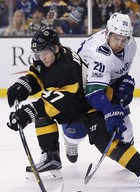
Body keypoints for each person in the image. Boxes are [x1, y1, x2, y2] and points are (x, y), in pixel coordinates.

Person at [73, 12, 140, 188]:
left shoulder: (131, 46)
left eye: (124, 39)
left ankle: (129, 155)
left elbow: (119, 73)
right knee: (89, 135)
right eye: (116, 38)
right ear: (107, 33)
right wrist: (109, 110)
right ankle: (69, 142)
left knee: (125, 135)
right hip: (82, 93)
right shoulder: (98, 52)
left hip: (104, 87)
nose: (120, 44)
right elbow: (93, 93)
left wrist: (124, 86)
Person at [6, 28, 91, 179]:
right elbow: (39, 74)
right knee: (40, 114)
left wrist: (27, 113)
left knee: (67, 131)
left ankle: (70, 143)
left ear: (55, 48)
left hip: (80, 114)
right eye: (38, 53)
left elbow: (53, 104)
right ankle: (51, 158)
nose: (41, 57)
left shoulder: (66, 69)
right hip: (68, 103)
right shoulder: (53, 56)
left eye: (44, 53)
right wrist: (24, 85)